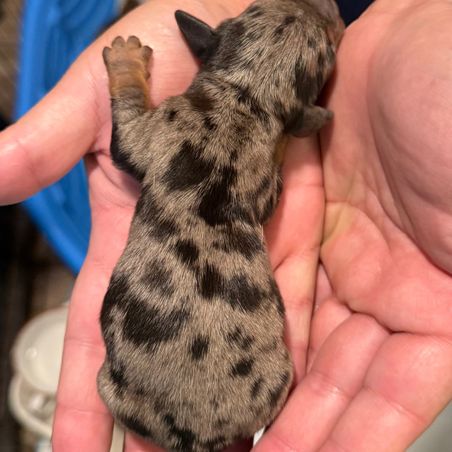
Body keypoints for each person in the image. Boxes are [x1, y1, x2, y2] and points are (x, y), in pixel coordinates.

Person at [1, 0, 451, 450]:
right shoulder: (262, 172)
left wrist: (128, 80)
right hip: (240, 407)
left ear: (206, 45)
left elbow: (128, 148)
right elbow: (264, 204)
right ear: (304, 121)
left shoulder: (177, 124)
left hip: (136, 395)